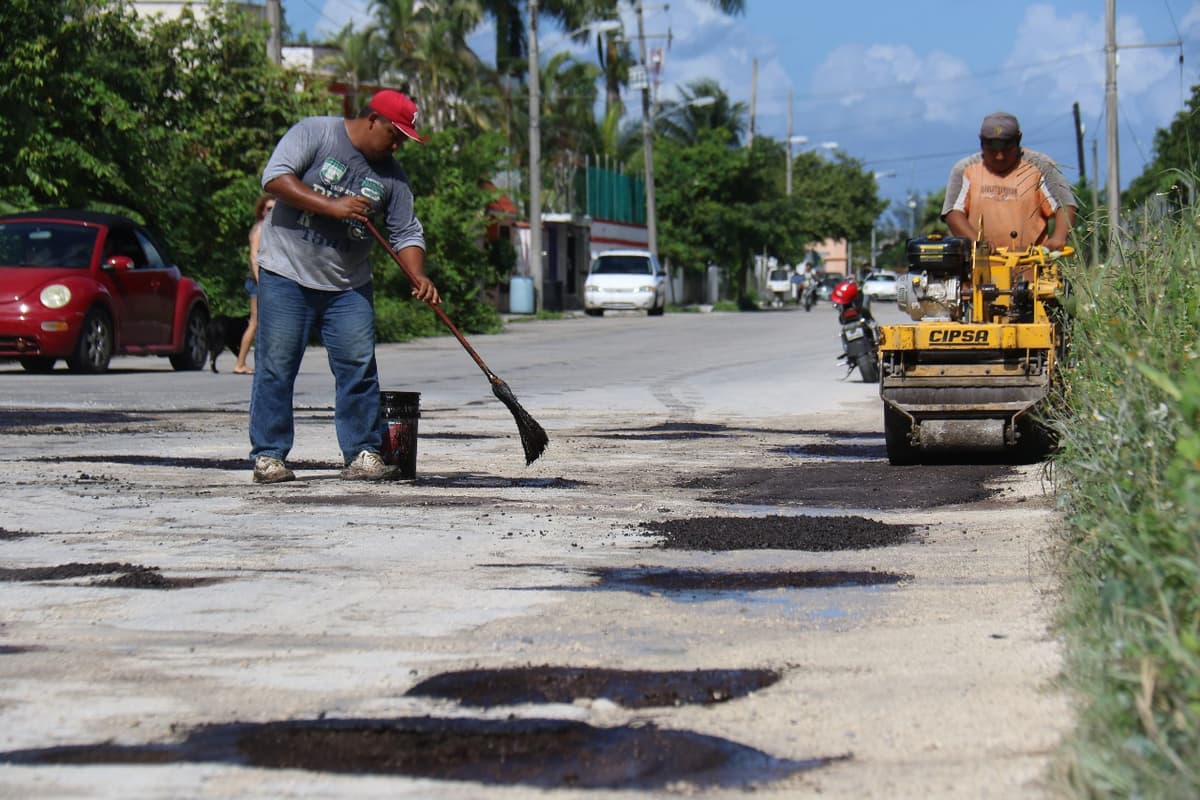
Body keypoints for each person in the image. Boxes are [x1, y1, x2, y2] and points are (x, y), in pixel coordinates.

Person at [249, 89, 441, 484]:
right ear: (373, 119)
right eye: (395, 134)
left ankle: (363, 453)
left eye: (405, 138)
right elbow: (275, 179)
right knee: (277, 366)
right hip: (287, 272)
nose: (398, 144)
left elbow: (405, 231)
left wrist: (418, 275)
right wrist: (330, 205)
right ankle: (269, 456)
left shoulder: (393, 178)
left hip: (347, 285)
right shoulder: (315, 132)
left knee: (358, 368)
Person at [942, 111, 1077, 255]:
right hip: (981, 266)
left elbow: (1065, 205)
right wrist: (978, 242)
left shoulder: (1040, 166)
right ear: (981, 141)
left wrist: (1059, 236)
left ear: (1018, 139)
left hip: (1030, 264)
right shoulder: (965, 169)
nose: (999, 157)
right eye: (992, 150)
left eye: (1006, 149)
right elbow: (953, 213)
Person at [233, 195, 274, 375]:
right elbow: (254, 256)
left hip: (268, 280)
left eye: (275, 209)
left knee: (266, 323)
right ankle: (240, 363)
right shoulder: (259, 228)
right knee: (255, 323)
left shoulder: (273, 228)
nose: (272, 212)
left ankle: (263, 362)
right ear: (262, 211)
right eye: (269, 209)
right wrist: (261, 280)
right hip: (258, 281)